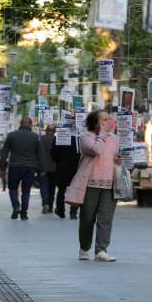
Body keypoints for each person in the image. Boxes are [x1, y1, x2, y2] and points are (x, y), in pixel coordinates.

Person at [66, 110, 121, 262]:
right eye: (104, 119)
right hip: (90, 183)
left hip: (110, 183)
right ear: (95, 122)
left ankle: (101, 250)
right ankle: (84, 247)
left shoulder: (115, 138)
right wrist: (102, 133)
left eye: (108, 118)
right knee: (87, 218)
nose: (108, 121)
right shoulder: (86, 137)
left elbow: (115, 156)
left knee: (106, 218)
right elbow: (96, 150)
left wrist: (119, 160)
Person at [0, 117, 42, 220]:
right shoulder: (36, 137)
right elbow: (40, 154)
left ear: (20, 124)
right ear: (31, 124)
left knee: (12, 189)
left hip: (15, 166)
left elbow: (4, 152)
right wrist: (41, 169)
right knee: (26, 190)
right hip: (30, 167)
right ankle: (24, 213)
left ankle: (16, 206)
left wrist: (1, 167)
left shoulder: (11, 135)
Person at [51, 133, 81, 219]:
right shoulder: (79, 138)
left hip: (62, 168)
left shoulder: (59, 137)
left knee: (61, 190)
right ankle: (73, 212)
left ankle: (60, 211)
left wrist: (59, 160)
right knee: (75, 190)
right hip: (76, 168)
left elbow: (53, 155)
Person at [39, 124, 57, 214]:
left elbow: (39, 153)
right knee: (52, 188)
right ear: (54, 131)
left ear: (46, 131)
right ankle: (50, 206)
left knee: (44, 187)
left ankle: (45, 203)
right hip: (54, 168)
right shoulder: (57, 140)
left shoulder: (41, 139)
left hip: (43, 167)